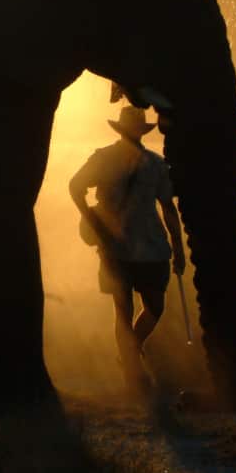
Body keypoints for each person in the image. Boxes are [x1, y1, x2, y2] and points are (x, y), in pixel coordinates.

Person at [69, 105, 186, 392]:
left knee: (155, 306)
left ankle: (130, 351)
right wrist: (90, 218)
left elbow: (168, 207)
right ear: (126, 130)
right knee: (123, 310)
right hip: (117, 245)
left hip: (151, 245)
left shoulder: (156, 165)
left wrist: (178, 248)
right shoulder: (104, 158)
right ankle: (133, 375)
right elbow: (76, 186)